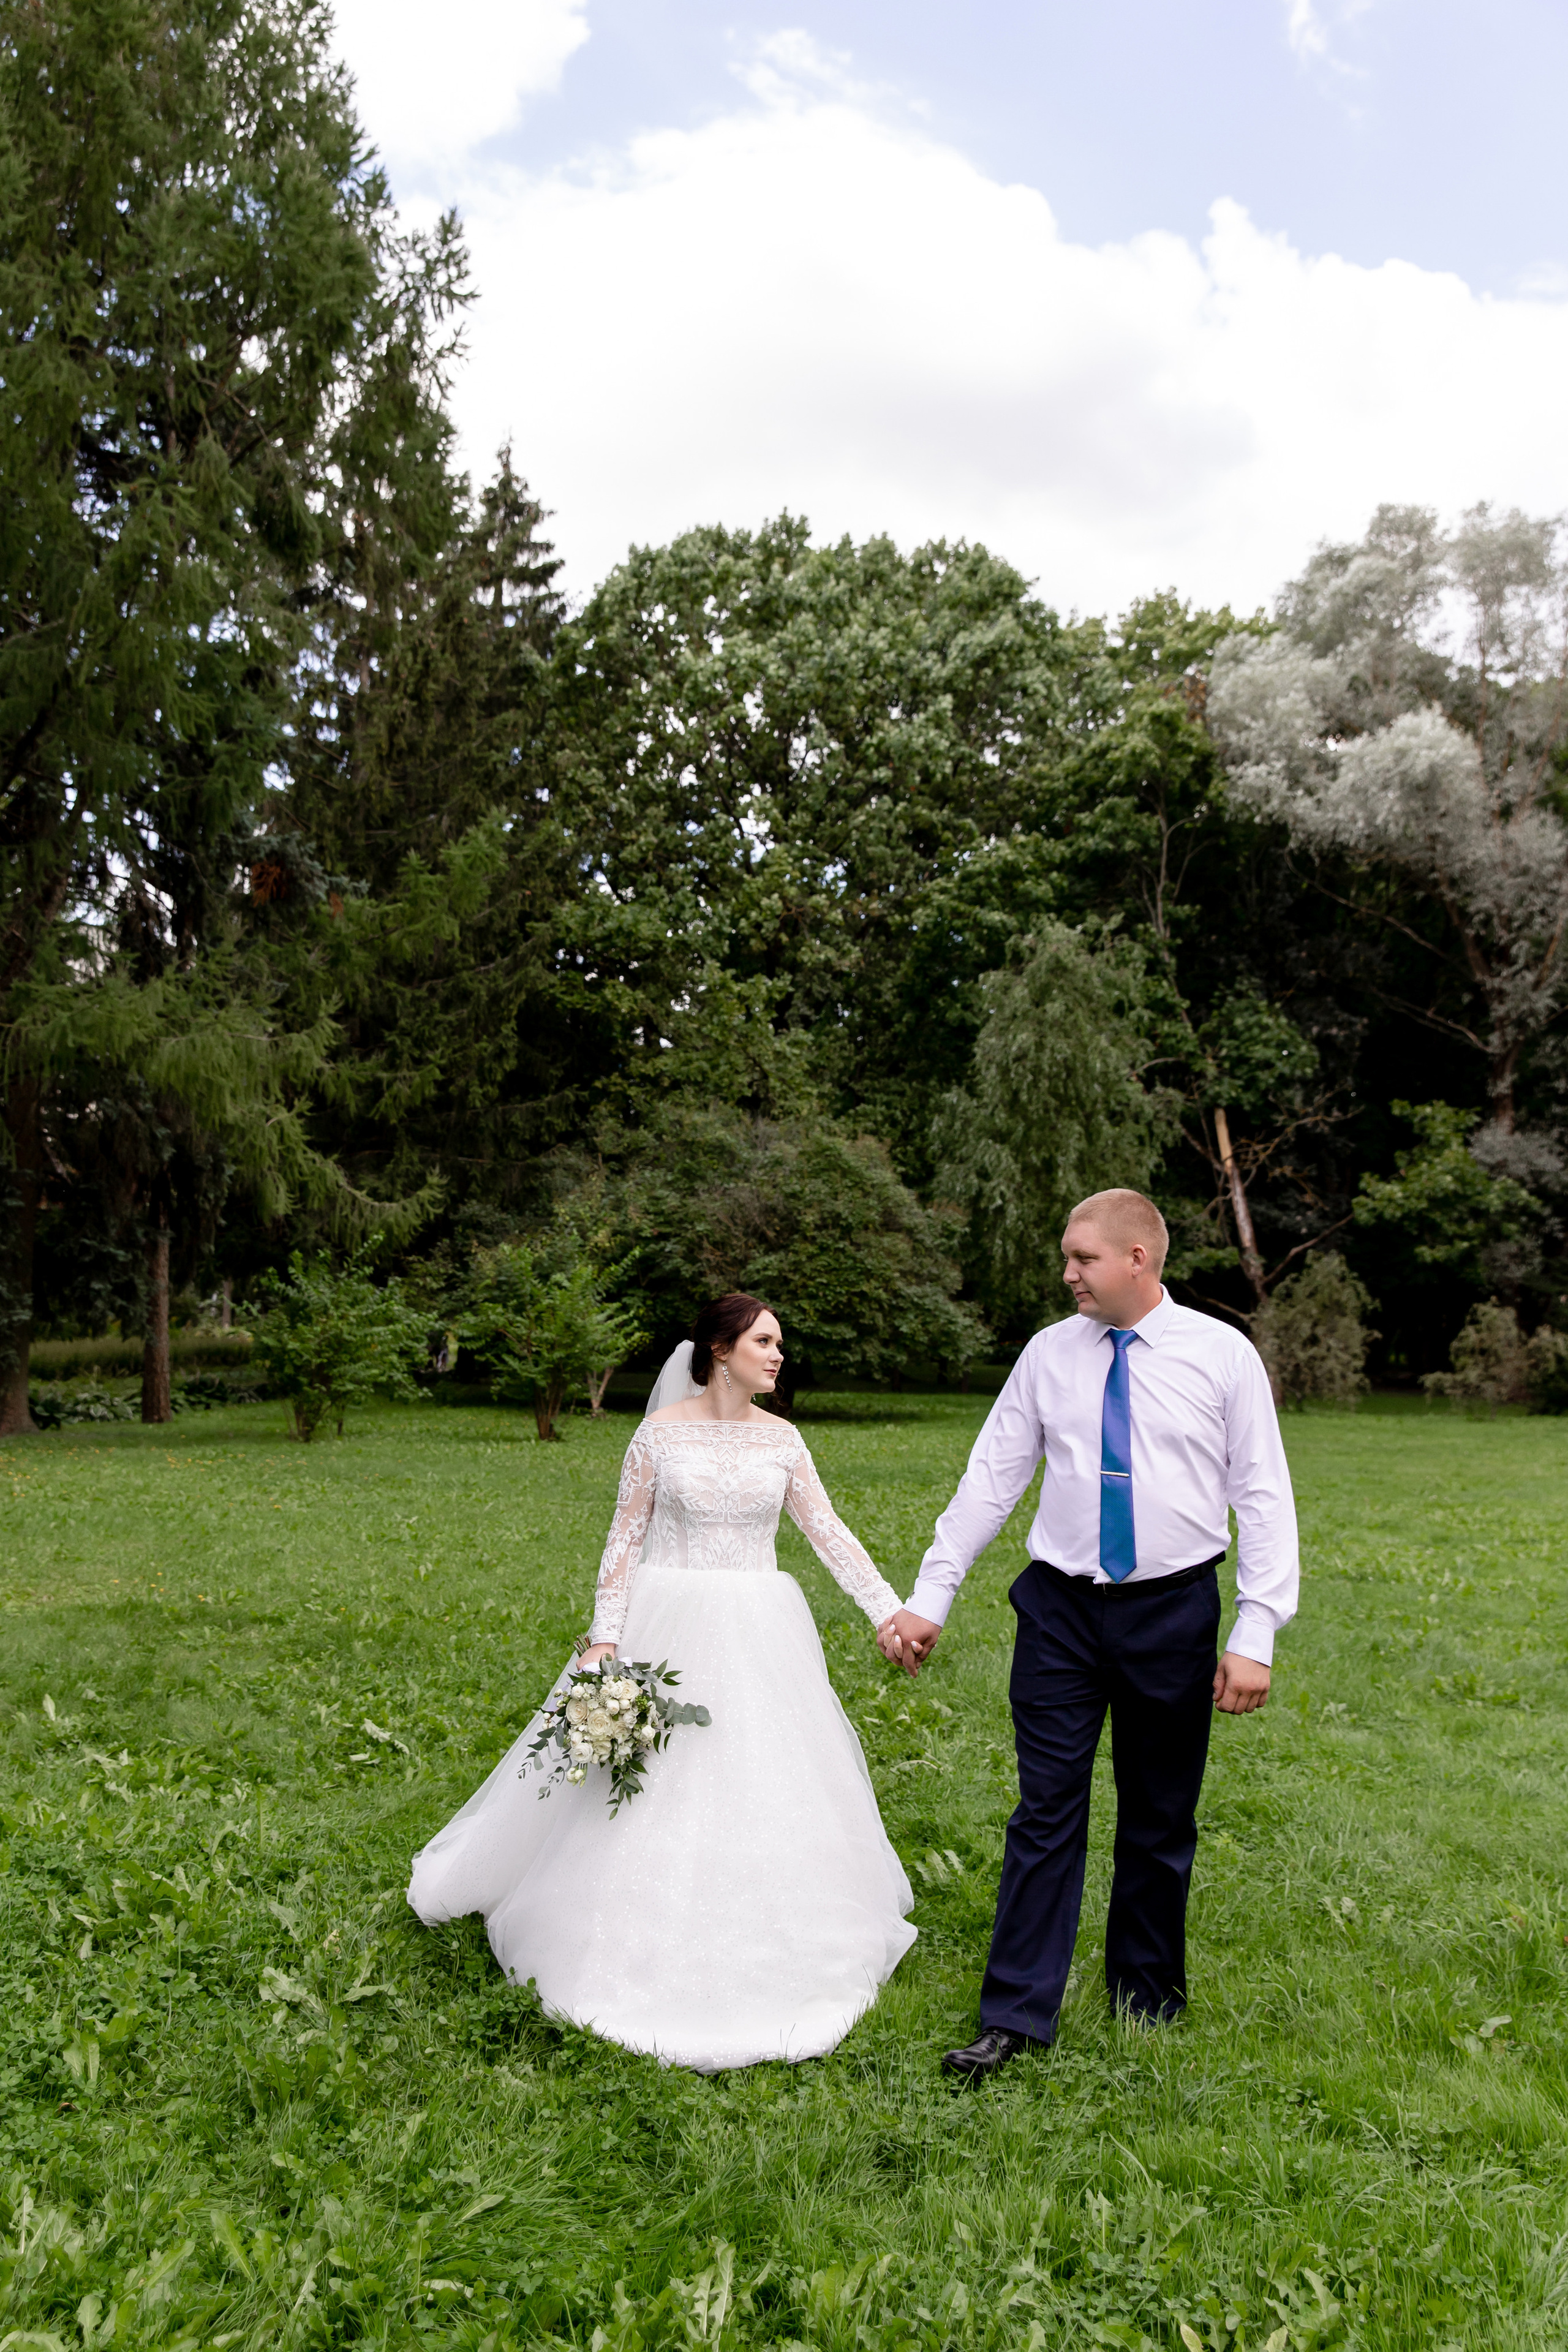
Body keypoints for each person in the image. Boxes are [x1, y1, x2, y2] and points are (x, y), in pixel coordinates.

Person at [408, 1293, 915, 2071]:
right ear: (720, 1350)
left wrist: (889, 1613)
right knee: (648, 1782)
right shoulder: (657, 1436)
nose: (778, 1356)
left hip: (758, 1627)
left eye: (780, 1343)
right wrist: (604, 1640)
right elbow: (624, 1539)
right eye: (765, 1342)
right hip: (664, 1620)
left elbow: (830, 1535)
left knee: (763, 1772)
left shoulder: (783, 1441)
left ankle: (776, 1922)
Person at [876, 1189, 1298, 2079]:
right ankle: (1016, 2016)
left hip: (1173, 1610)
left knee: (1158, 1815)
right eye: (1068, 1258)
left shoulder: (1222, 1356)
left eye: (1083, 1258)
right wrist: (931, 1594)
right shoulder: (1046, 1355)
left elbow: (1262, 1496)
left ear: (1138, 1259)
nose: (1067, 1273)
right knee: (1046, 1812)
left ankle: (1144, 2002)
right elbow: (991, 1477)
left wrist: (1257, 1629)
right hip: (1060, 1612)